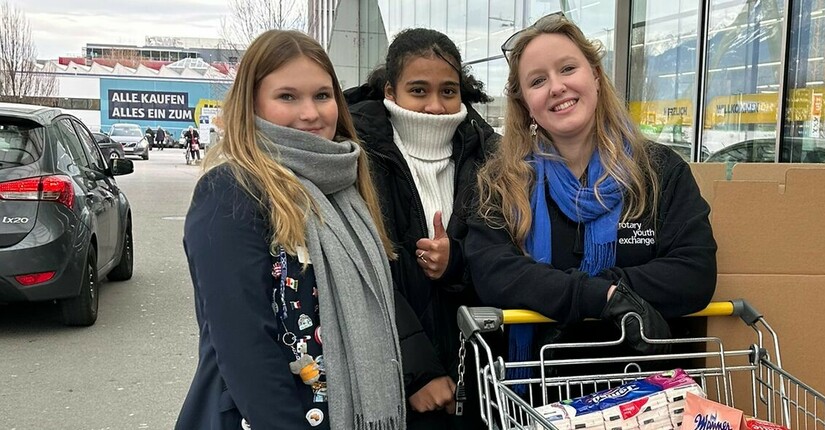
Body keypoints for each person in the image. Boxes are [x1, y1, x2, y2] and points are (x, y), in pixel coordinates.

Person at [176, 30, 405, 430]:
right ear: (252, 104)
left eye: (322, 95)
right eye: (287, 97)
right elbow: (244, 349)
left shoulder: (346, 187)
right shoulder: (231, 190)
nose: (311, 113)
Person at [467, 12, 718, 376]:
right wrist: (600, 298)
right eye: (538, 80)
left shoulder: (659, 171)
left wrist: (611, 288)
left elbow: (694, 271)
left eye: (567, 69)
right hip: (539, 394)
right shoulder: (502, 182)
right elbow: (495, 273)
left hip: (641, 389)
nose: (556, 87)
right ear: (525, 104)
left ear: (596, 77)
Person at [344, 28, 497, 430]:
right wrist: (419, 371)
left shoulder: (490, 154)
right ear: (390, 92)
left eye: (448, 91)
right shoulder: (356, 155)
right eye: (418, 90)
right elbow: (361, 276)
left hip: (479, 377)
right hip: (394, 378)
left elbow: (504, 254)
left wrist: (456, 262)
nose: (435, 106)